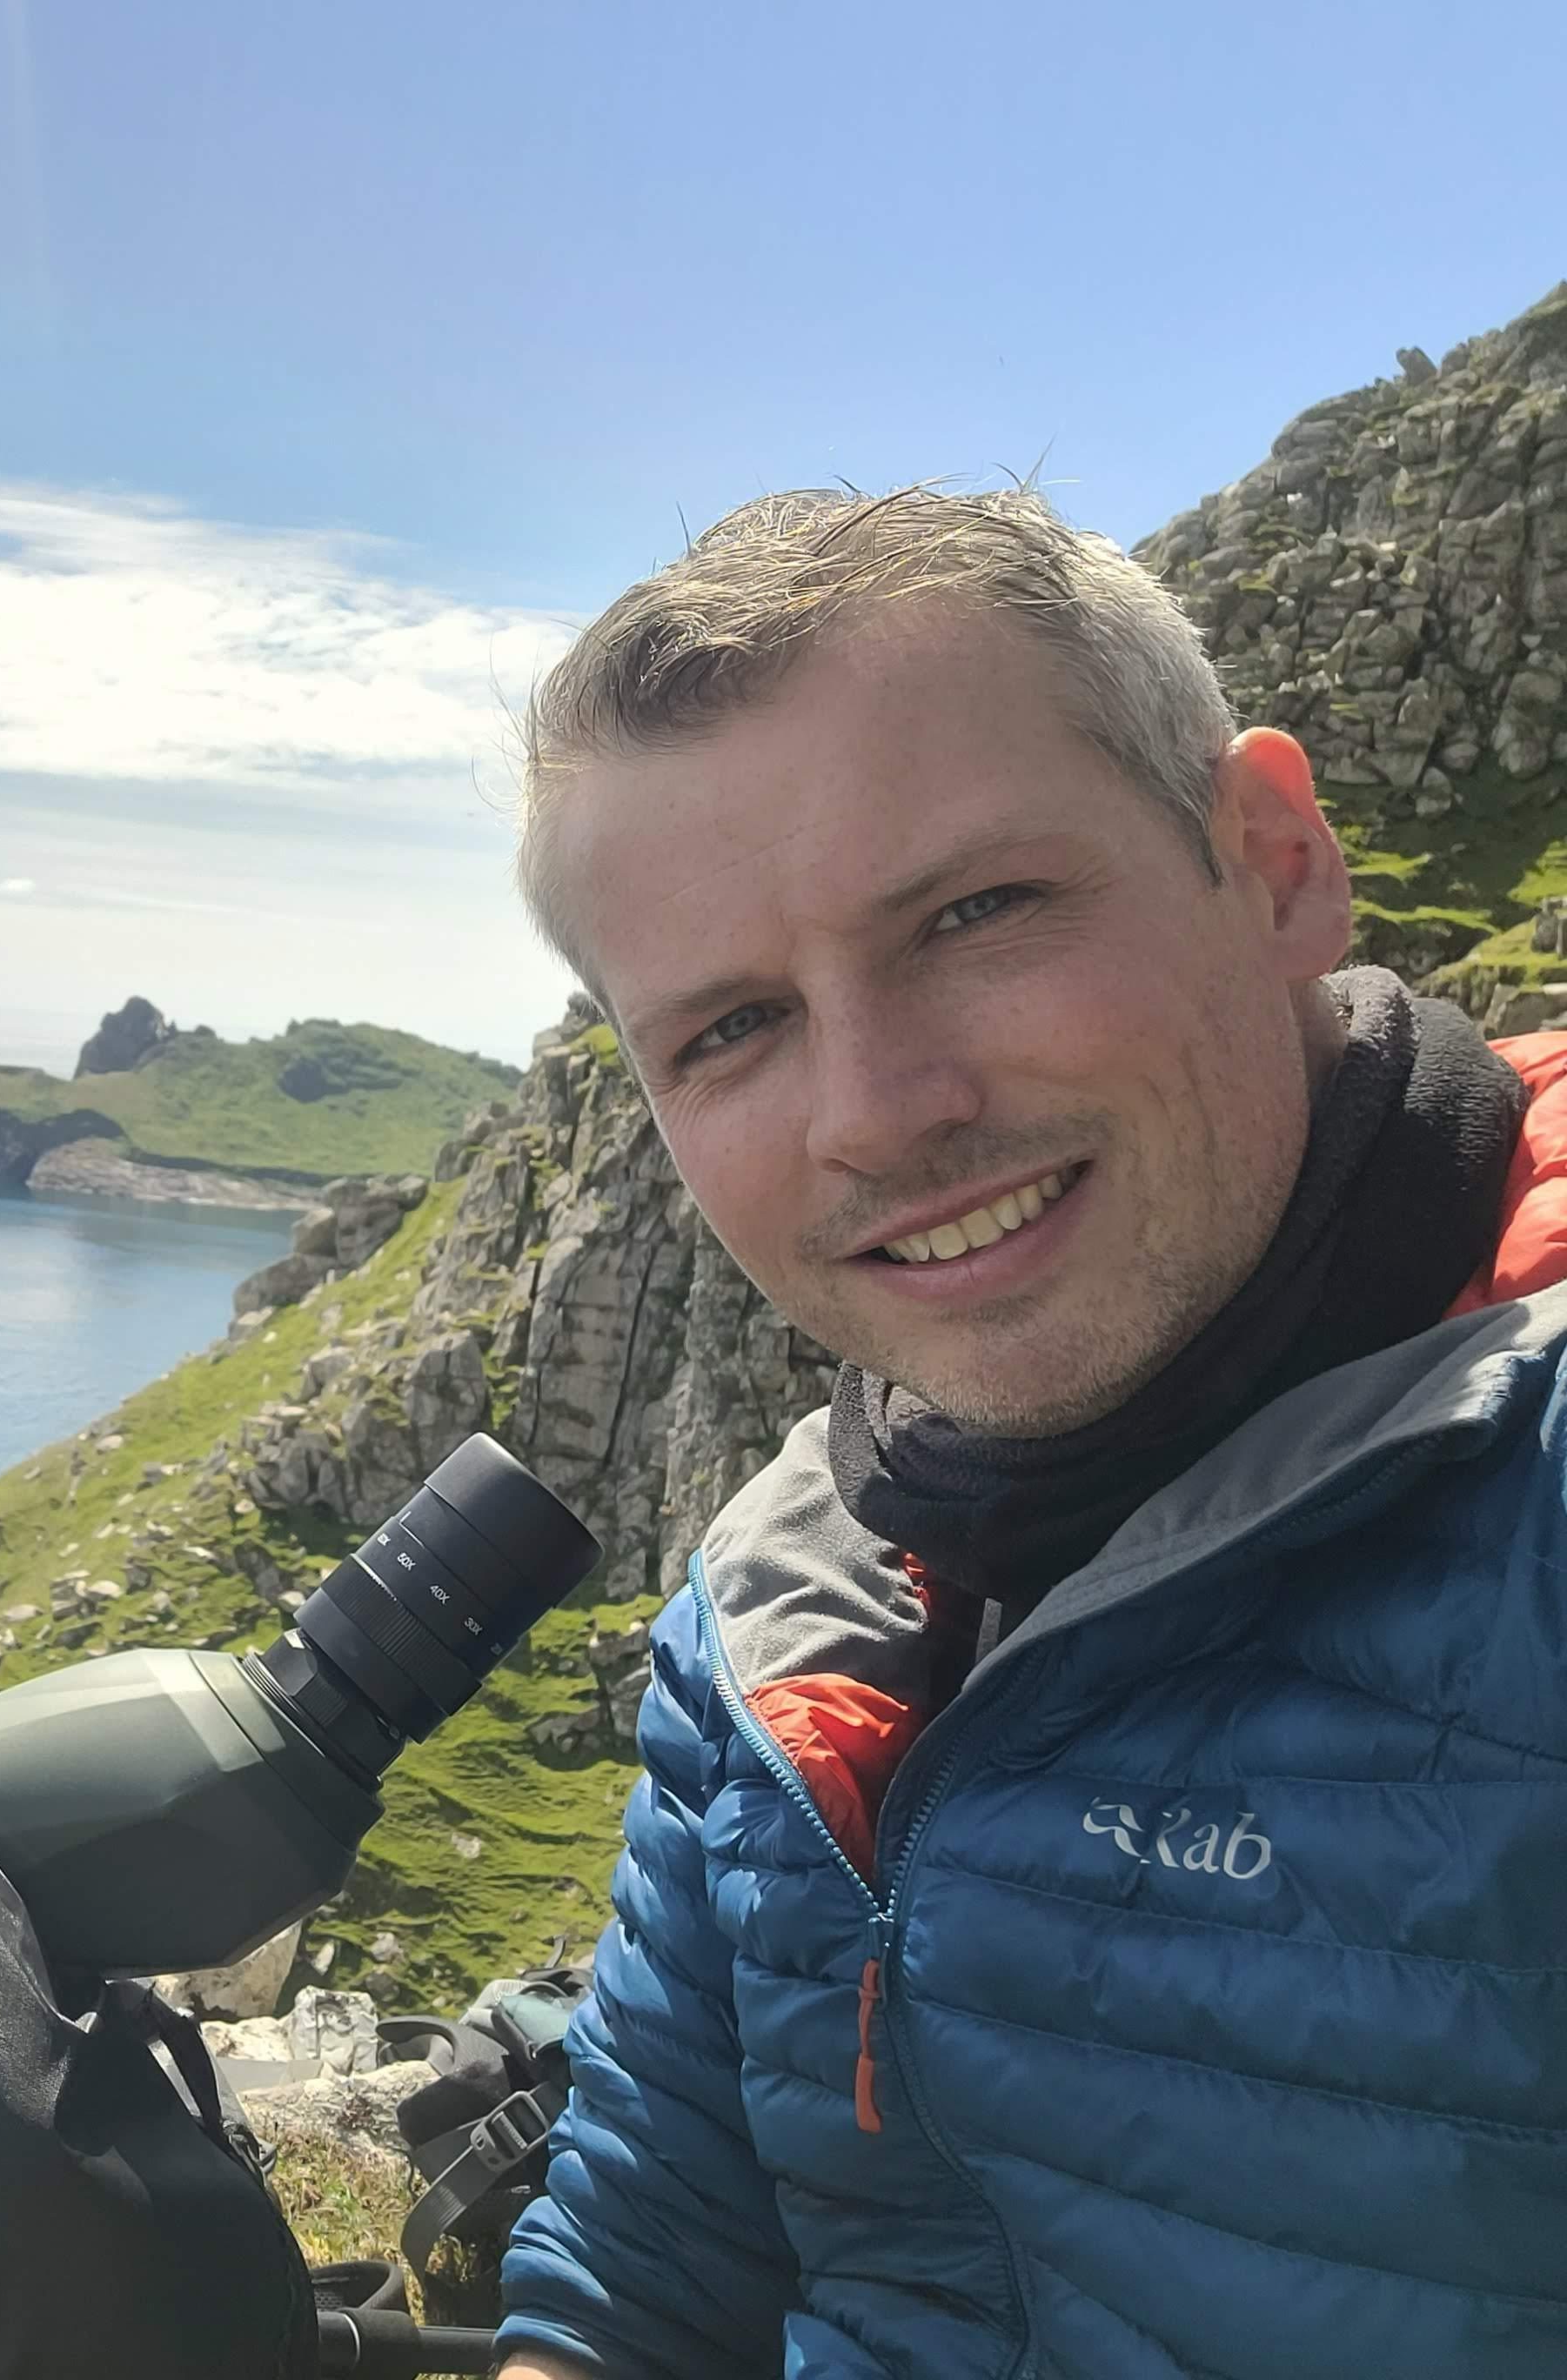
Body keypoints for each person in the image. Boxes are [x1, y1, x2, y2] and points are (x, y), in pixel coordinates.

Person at [486, 487, 1567, 2378]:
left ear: (1276, 859)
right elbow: (642, 2268)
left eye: (978, 913)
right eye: (731, 1030)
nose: (880, 1115)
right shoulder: (776, 1600)